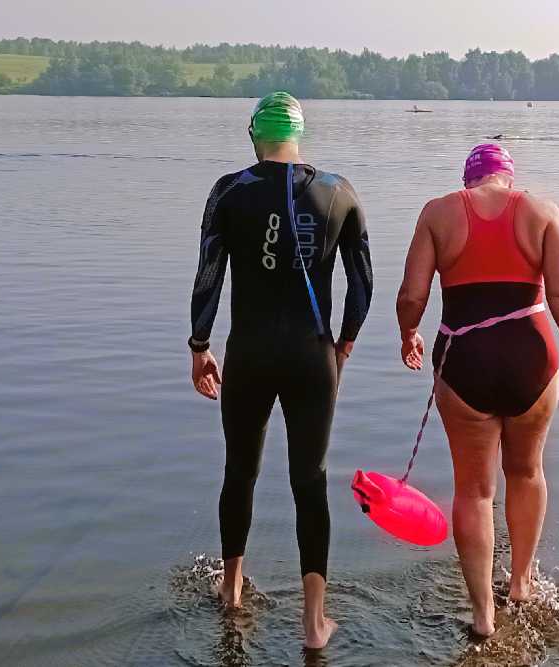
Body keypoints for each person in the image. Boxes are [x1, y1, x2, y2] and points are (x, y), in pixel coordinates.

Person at [188, 92, 373, 649]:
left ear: (254, 135)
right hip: (312, 356)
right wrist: (343, 344)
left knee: (239, 472)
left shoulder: (230, 190)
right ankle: (314, 624)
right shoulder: (338, 191)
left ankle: (231, 594)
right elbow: (362, 283)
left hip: (247, 353)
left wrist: (200, 344)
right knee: (309, 482)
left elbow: (209, 275)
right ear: (298, 135)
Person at [396, 144, 559, 637]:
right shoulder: (542, 212)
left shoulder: (438, 213)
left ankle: (483, 614)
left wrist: (409, 333)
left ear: (470, 179)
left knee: (474, 489)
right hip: (532, 356)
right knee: (527, 471)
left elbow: (412, 295)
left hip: (464, 359)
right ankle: (522, 584)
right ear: (509, 177)